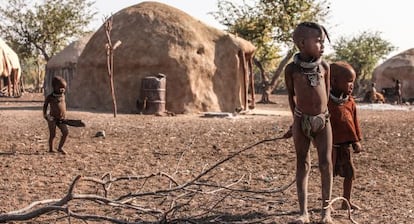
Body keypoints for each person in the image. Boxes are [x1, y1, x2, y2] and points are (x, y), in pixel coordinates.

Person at [284, 22, 333, 224]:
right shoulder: (292, 69)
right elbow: (290, 96)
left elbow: (327, 94)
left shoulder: (324, 66)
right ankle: (303, 212)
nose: (322, 46)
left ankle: (326, 213)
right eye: (319, 41)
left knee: (325, 163)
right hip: (300, 121)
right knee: (302, 163)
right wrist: (294, 119)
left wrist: (322, 115)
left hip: (323, 121)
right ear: (302, 43)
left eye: (323, 42)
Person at [328, 62, 363, 211]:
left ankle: (346, 201)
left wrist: (356, 140)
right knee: (328, 174)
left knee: (349, 173)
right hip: (330, 146)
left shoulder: (350, 101)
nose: (351, 85)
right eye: (349, 81)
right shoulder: (326, 102)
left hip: (345, 145)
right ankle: (327, 203)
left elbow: (354, 121)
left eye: (353, 82)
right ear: (334, 81)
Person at [43, 76, 69, 154]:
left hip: (61, 118)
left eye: (64, 88)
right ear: (54, 87)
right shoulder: (50, 97)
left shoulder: (63, 96)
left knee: (65, 132)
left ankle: (60, 147)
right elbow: (45, 105)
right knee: (52, 134)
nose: (62, 90)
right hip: (52, 118)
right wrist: (45, 115)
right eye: (60, 88)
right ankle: (51, 149)